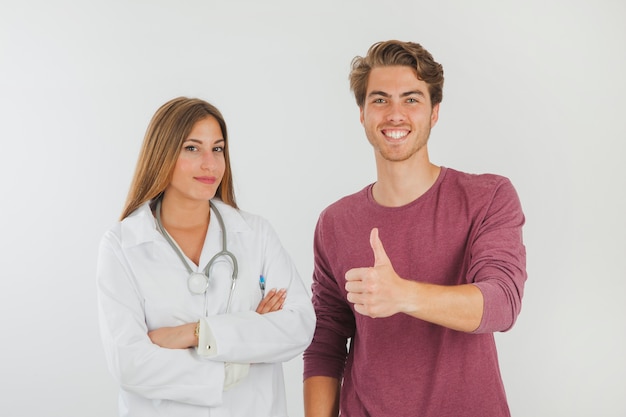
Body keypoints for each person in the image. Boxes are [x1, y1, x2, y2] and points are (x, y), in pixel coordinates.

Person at [302, 40, 527, 417]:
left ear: (434, 112)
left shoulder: (487, 197)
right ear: (361, 113)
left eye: (411, 99)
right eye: (379, 100)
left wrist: (403, 295)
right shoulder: (335, 223)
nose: (395, 114)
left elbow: (502, 302)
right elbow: (326, 340)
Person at [96, 96, 315, 417]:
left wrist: (194, 334)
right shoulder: (122, 245)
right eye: (192, 148)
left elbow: (298, 327)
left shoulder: (255, 234)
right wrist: (240, 354)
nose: (210, 164)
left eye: (218, 148)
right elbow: (130, 364)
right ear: (162, 154)